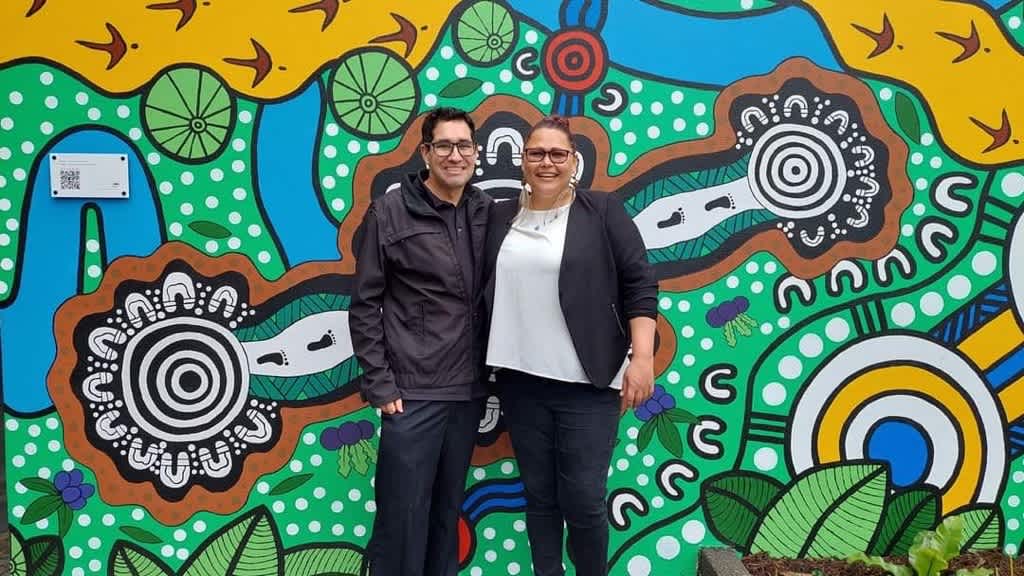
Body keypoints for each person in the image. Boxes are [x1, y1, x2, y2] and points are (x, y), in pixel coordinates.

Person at [482, 115, 658, 576]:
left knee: (582, 500)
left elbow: (639, 284)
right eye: (536, 153)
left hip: (588, 384)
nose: (546, 162)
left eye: (557, 154)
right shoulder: (499, 216)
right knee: (540, 498)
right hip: (521, 383)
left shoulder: (602, 211)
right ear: (522, 160)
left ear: (574, 161)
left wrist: (642, 357)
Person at [348, 107, 491, 576]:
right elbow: (365, 303)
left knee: (445, 516)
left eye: (464, 145)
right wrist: (381, 385)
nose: (456, 155)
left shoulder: (486, 211)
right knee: (401, 518)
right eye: (444, 145)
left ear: (476, 153)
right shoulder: (389, 212)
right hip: (413, 393)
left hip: (468, 392)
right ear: (426, 152)